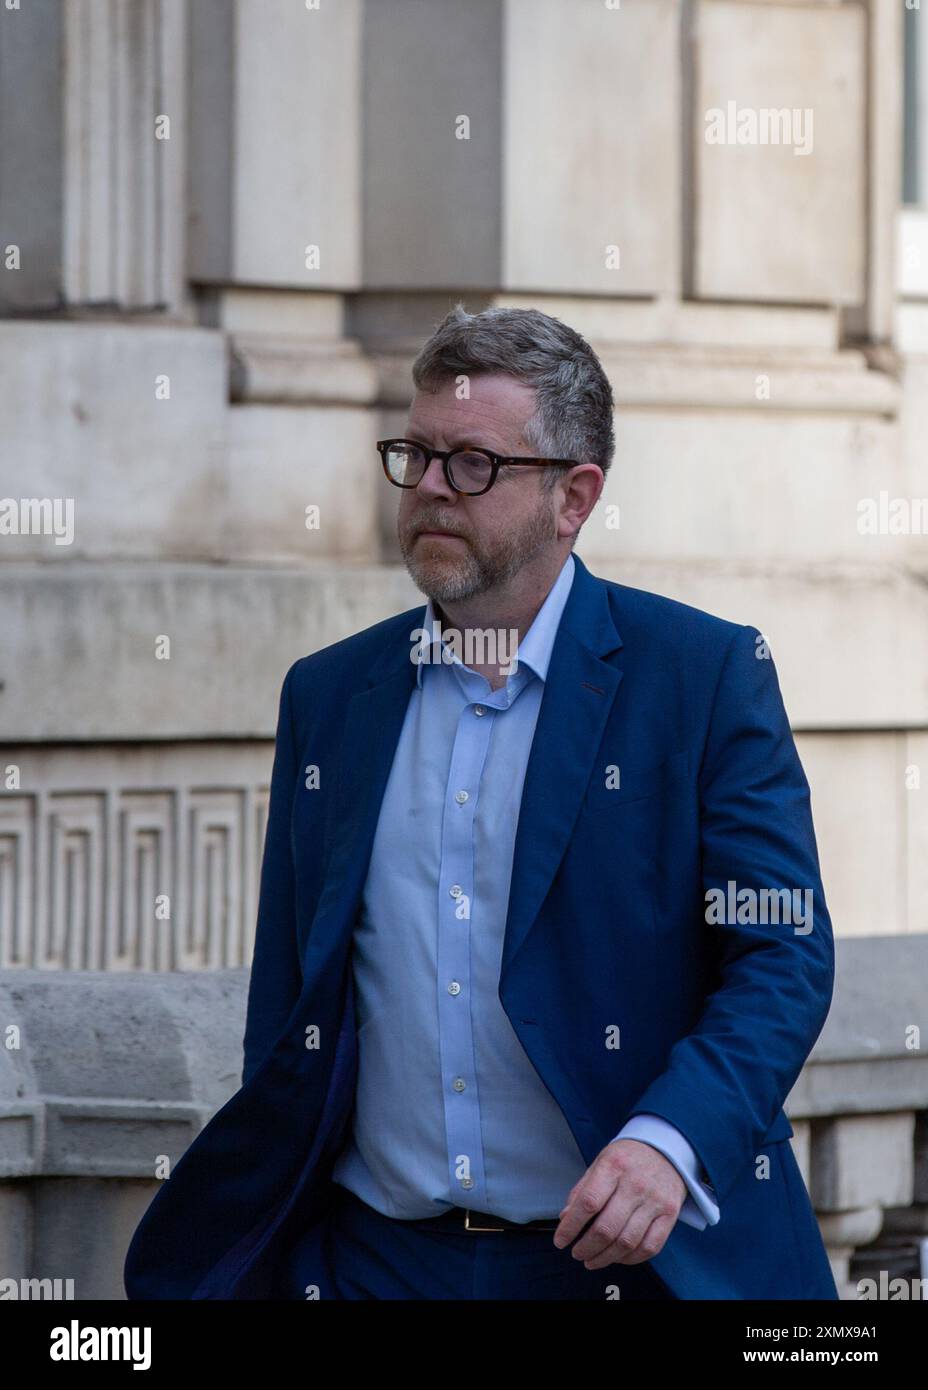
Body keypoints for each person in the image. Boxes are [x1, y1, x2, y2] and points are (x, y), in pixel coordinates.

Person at [124, 304, 839, 1301]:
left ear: (573, 496)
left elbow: (782, 952)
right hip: (375, 1263)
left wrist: (668, 1143)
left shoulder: (702, 675)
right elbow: (291, 999)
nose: (426, 490)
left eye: (470, 464)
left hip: (627, 1266)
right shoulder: (329, 696)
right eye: (413, 455)